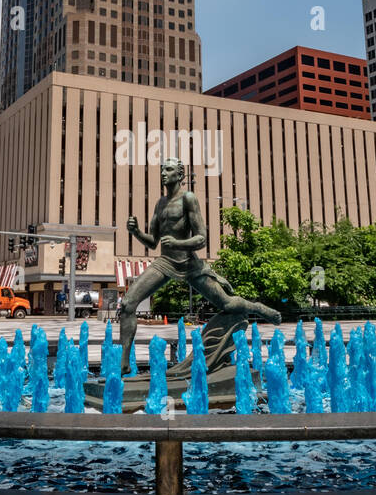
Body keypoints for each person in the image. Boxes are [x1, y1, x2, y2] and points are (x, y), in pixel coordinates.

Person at [119, 157, 281, 374]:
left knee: (227, 304)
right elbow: (154, 242)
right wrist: (137, 232)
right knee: (128, 303)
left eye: (168, 170)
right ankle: (124, 362)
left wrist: (178, 242)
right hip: (165, 262)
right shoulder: (160, 203)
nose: (163, 173)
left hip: (189, 263)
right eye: (162, 170)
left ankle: (257, 307)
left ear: (180, 175)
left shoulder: (188, 199)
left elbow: (202, 238)